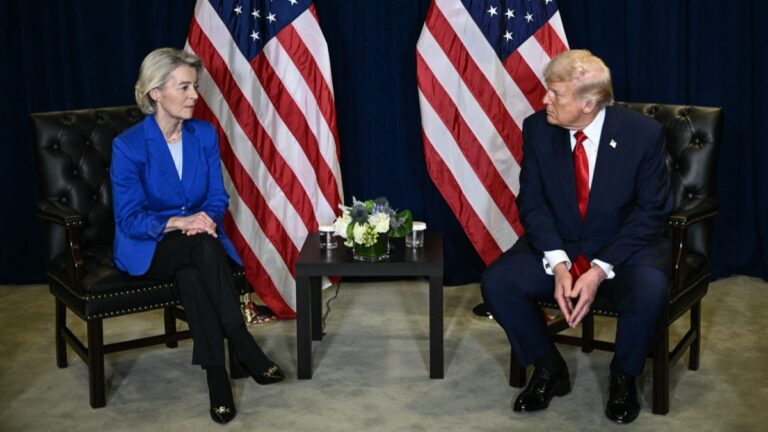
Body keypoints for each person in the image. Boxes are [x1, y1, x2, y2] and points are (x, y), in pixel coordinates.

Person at [481, 49, 672, 424]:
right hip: (562, 243)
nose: (544, 100)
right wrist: (558, 263)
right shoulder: (538, 128)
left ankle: (624, 375)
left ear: (589, 103)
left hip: (624, 249)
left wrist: (599, 269)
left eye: (555, 94)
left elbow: (651, 213)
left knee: (650, 291)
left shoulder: (643, 135)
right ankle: (549, 367)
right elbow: (532, 202)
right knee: (498, 282)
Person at [111, 47, 284, 424]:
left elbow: (217, 196)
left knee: (194, 275)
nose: (194, 95)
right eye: (184, 87)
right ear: (156, 93)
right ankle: (242, 342)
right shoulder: (129, 145)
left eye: (195, 86)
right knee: (202, 248)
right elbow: (129, 218)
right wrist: (179, 223)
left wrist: (205, 217)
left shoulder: (203, 134)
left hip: (196, 244)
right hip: (150, 246)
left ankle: (217, 380)